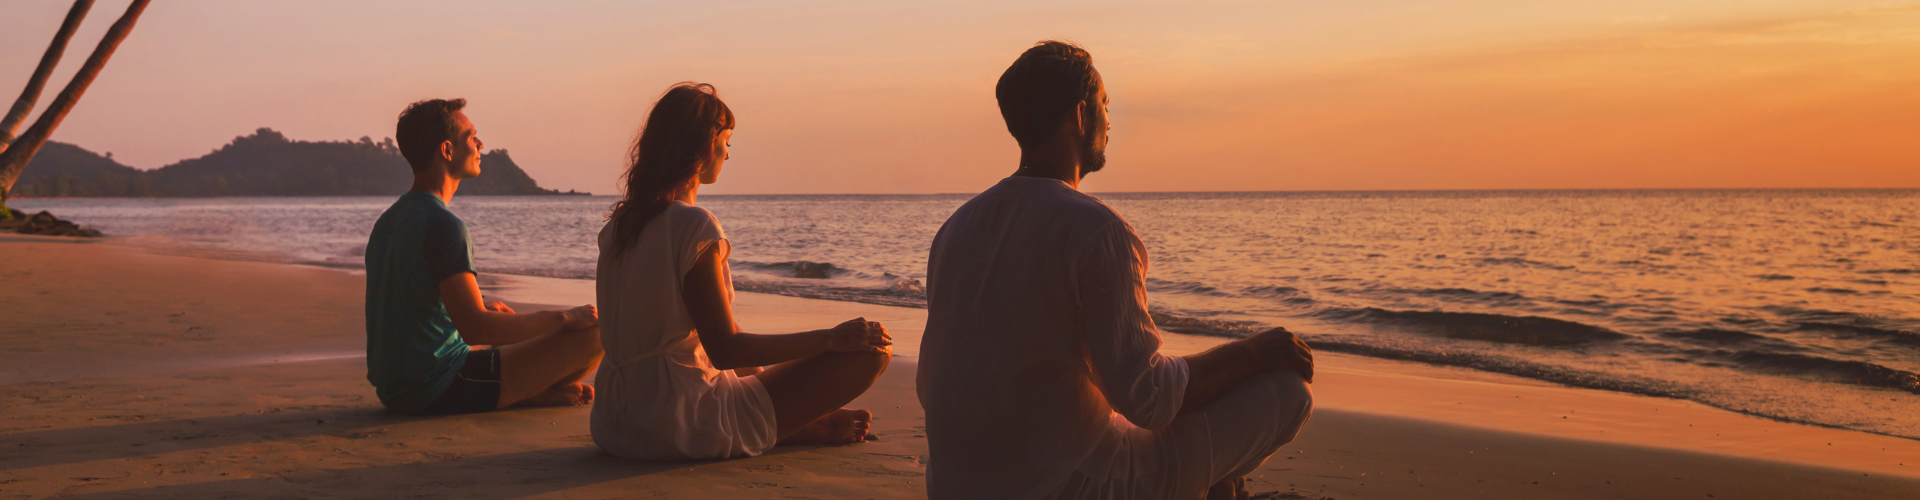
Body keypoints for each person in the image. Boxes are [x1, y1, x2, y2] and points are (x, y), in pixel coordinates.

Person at [917, 41, 1317, 500]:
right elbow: (1147, 397)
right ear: (1081, 116)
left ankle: (1215, 483)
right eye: (1106, 106)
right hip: (1064, 486)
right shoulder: (1097, 229)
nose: (1110, 121)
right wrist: (1254, 353)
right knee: (1289, 393)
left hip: (954, 486)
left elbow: (938, 385)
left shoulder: (957, 227)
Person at [591, 83, 893, 460]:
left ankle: (789, 421)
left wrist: (770, 384)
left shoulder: (618, 227)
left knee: (747, 380)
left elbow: (709, 347)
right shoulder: (694, 227)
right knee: (872, 351)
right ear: (703, 145)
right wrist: (831, 338)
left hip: (616, 423)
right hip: (679, 424)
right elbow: (725, 350)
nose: (728, 155)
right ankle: (789, 425)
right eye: (727, 141)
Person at [365, 98, 605, 415]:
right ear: (447, 151)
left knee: (500, 317)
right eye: (471, 137)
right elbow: (477, 330)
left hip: (395, 389)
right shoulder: (444, 226)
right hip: (437, 387)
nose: (480, 144)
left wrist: (479, 312)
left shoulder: (389, 221)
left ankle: (529, 391)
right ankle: (524, 393)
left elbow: (410, 309)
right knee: (597, 333)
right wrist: (563, 317)